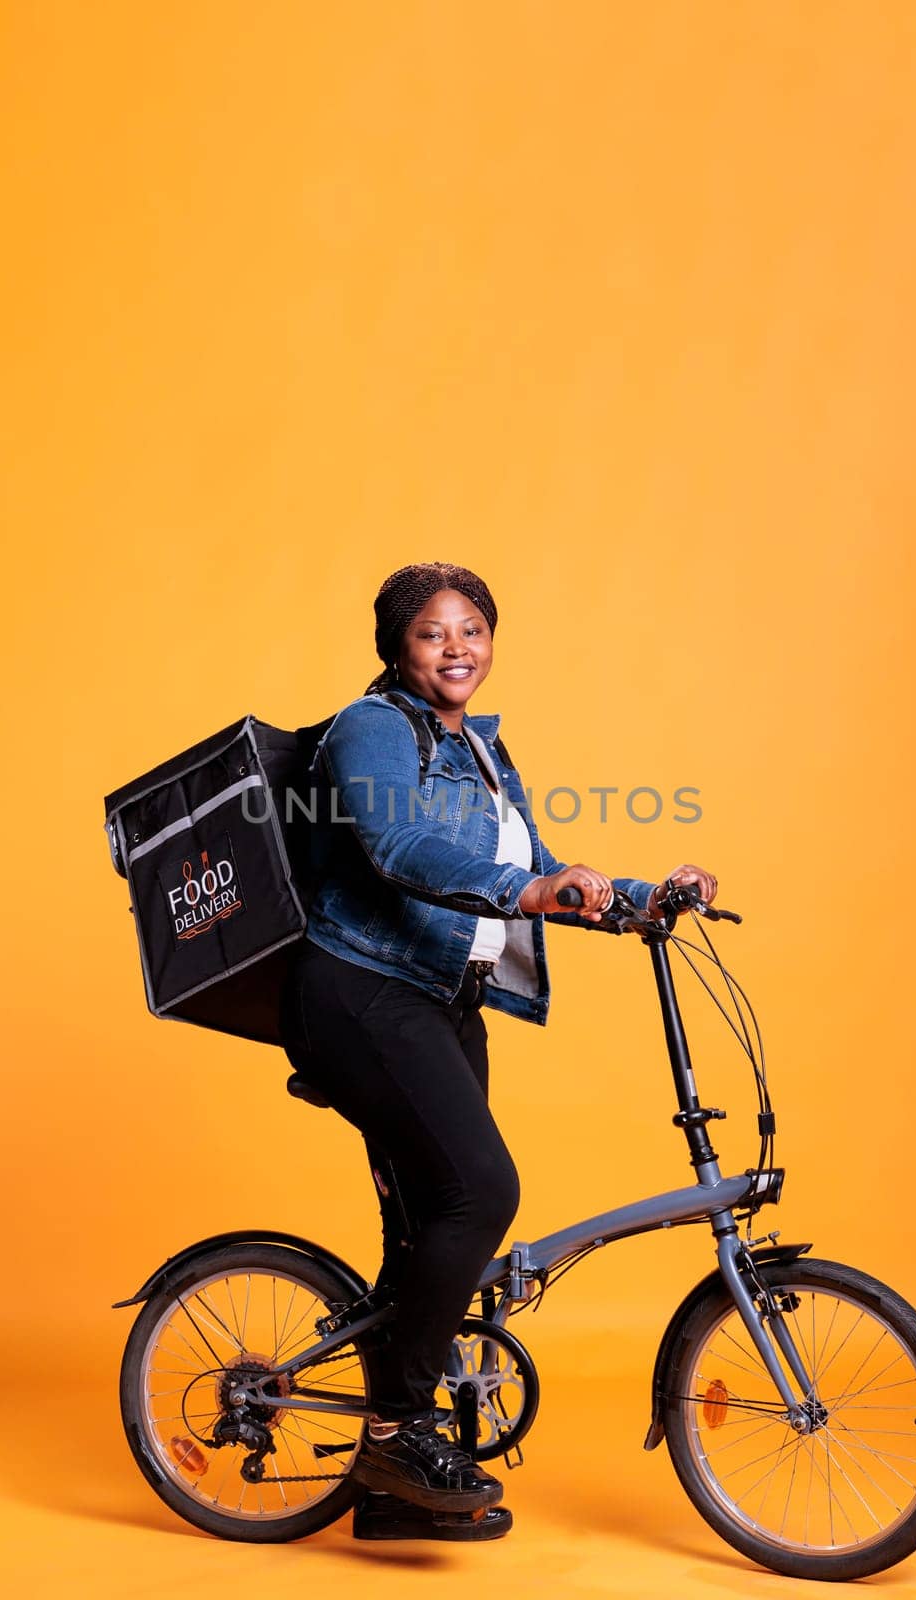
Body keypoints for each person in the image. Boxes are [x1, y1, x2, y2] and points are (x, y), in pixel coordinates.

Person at [277, 561, 717, 1543]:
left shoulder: (477, 748)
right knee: (480, 1191)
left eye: (472, 629)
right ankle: (395, 1428)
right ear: (398, 645)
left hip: (437, 998)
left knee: (433, 1218)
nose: (456, 648)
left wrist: (645, 895)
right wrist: (531, 891)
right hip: (358, 987)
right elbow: (398, 849)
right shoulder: (373, 729)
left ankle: (394, 1492)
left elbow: (532, 868)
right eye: (433, 632)